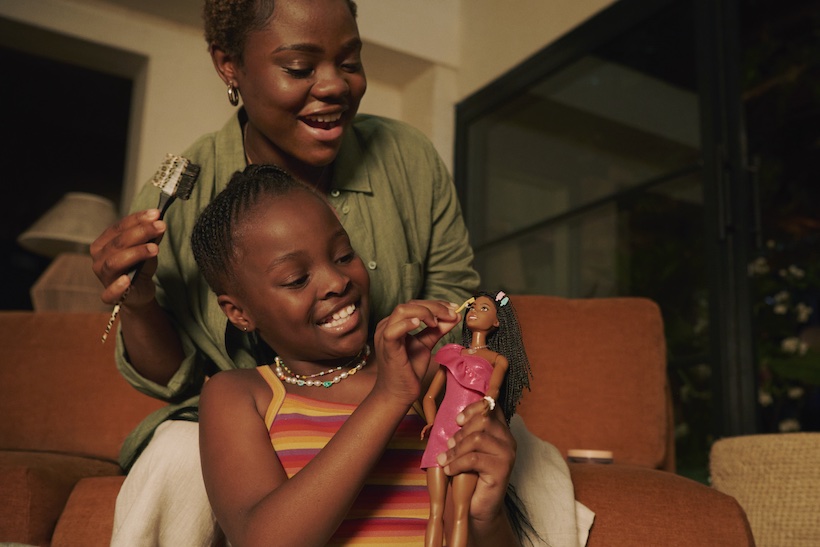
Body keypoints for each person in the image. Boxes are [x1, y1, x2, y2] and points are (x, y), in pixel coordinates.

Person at [90, 0, 479, 544]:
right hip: (245, 430)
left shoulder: (406, 157)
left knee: (518, 449)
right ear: (229, 65)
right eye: (299, 68)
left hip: (405, 396)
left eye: (349, 60)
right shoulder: (179, 202)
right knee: (176, 454)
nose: (334, 86)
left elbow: (456, 304)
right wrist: (137, 302)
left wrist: (400, 387)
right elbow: (171, 380)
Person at [191, 164, 521, 546]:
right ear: (239, 313)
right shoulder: (237, 394)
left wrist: (485, 513)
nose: (337, 281)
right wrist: (388, 396)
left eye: (344, 255)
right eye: (297, 279)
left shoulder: (431, 375)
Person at [420, 291, 532, 547]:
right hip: (439, 436)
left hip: (467, 437)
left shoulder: (497, 360)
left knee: (460, 514)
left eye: (484, 309)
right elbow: (429, 397)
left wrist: (488, 403)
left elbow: (492, 391)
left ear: (496, 323)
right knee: (435, 513)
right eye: (474, 307)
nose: (475, 311)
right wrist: (430, 422)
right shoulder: (451, 354)